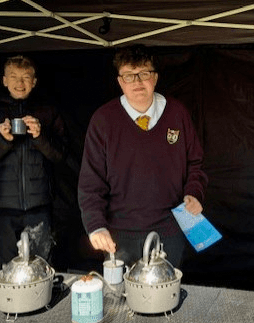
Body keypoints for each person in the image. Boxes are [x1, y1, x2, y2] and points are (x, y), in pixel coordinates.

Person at [78, 45, 208, 268]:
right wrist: (96, 226)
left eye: (144, 74)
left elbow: (195, 163)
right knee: (122, 298)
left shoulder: (177, 113)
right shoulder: (103, 120)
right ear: (120, 82)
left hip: (170, 228)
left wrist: (194, 193)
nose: (137, 82)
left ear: (155, 78)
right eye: (129, 75)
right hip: (120, 232)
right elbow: (91, 181)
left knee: (166, 295)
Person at [0, 55, 67, 270]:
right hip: (2, 207)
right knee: (7, 269)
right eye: (14, 77)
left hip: (39, 205)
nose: (20, 83)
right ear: (4, 80)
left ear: (34, 81)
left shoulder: (48, 111)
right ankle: (8, 304)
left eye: (26, 77)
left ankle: (44, 303)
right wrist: (2, 140)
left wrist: (40, 135)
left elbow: (60, 156)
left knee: (42, 266)